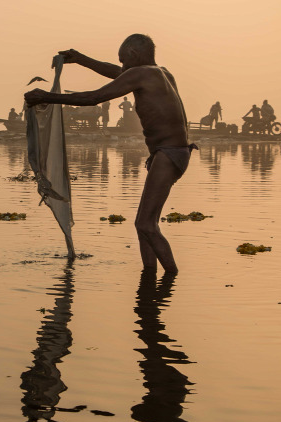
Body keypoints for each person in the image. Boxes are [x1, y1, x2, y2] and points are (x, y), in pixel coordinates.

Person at [25, 34, 195, 273]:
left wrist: (46, 97)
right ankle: (149, 277)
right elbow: (118, 72)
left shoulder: (142, 74)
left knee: (145, 224)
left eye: (124, 60)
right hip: (169, 153)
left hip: (169, 154)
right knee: (144, 225)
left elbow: (94, 97)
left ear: (134, 55)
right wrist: (81, 59)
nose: (122, 66)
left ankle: (171, 278)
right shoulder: (160, 72)